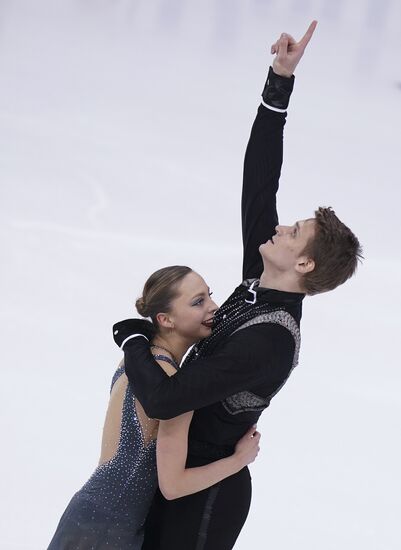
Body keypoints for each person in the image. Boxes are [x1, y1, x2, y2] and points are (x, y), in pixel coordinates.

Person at [113, 21, 363, 550]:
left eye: (293, 233)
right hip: (176, 479)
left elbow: (164, 398)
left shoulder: (269, 340)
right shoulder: (261, 279)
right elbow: (259, 178)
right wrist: (279, 82)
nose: (279, 227)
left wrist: (133, 336)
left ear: (305, 267)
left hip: (204, 502)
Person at [47, 266, 261, 550]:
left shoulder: (139, 359)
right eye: (198, 302)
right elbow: (174, 486)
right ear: (165, 319)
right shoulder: (173, 384)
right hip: (112, 525)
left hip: (92, 510)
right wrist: (237, 461)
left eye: (210, 296)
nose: (213, 308)